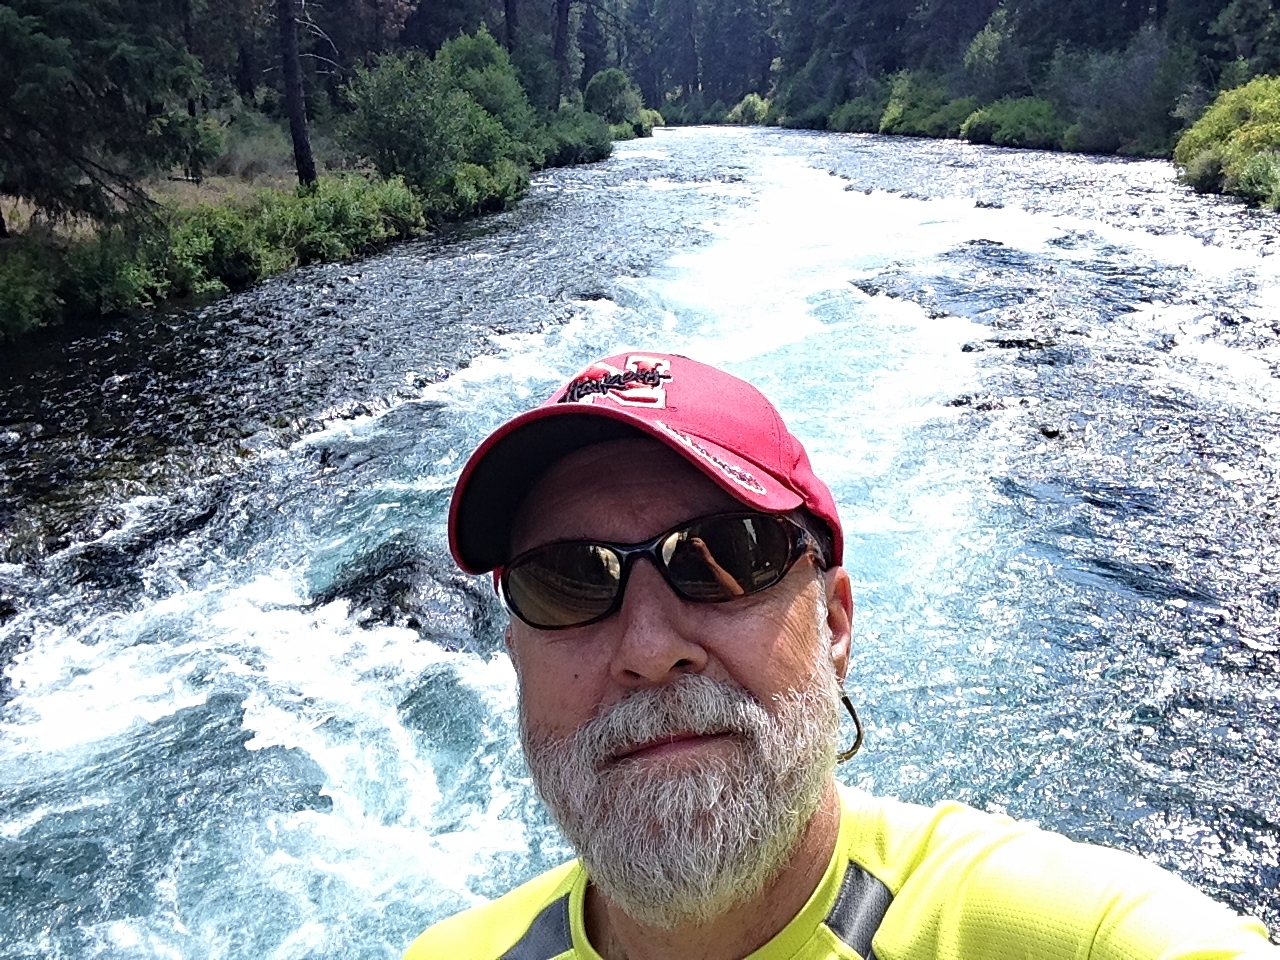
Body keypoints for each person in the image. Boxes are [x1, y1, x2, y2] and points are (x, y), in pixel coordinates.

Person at [404, 352, 1277, 960]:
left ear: (834, 624)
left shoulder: (1076, 932)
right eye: (567, 581)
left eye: (725, 556)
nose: (647, 648)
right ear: (516, 656)